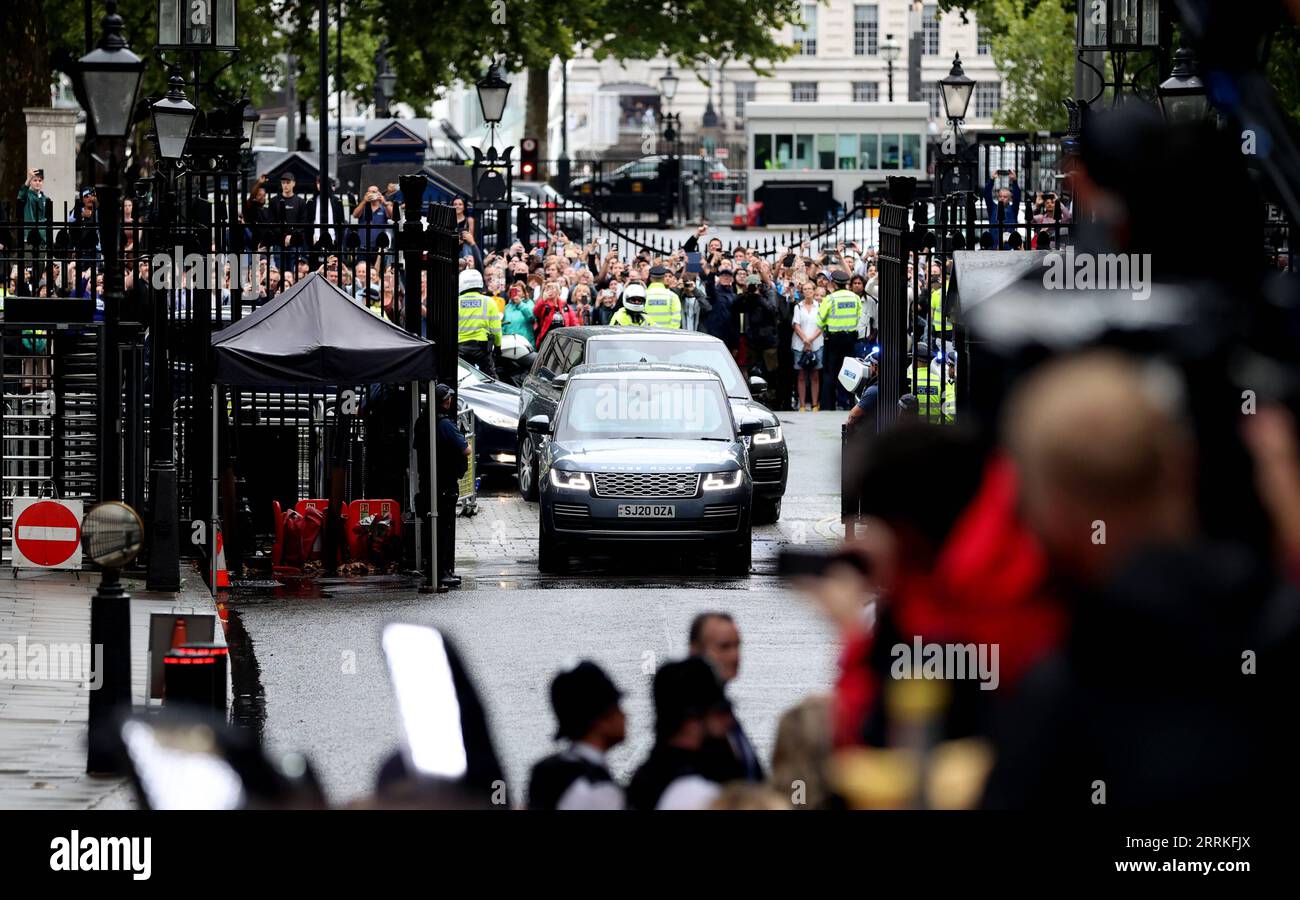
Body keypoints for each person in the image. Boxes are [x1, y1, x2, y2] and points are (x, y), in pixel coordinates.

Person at [627, 657, 736, 810]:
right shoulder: (697, 794)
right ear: (692, 721)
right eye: (718, 713)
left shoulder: (644, 780)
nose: (728, 721)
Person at [527, 661, 627, 810]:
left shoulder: (545, 771)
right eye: (617, 707)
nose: (624, 715)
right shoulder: (600, 791)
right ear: (600, 720)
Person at [689, 613, 763, 782]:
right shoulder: (693, 717)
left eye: (737, 646)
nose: (735, 656)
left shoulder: (721, 709)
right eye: (724, 647)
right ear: (695, 650)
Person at [419, 383, 470, 590]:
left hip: (430, 480)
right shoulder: (445, 424)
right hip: (445, 482)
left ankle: (441, 571)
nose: (450, 402)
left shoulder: (423, 421)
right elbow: (465, 449)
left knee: (435, 527)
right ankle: (442, 572)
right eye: (447, 399)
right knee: (444, 527)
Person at [817, 270, 862, 410]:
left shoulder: (830, 299)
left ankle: (828, 405)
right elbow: (858, 316)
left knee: (830, 373)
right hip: (850, 339)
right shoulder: (855, 298)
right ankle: (851, 403)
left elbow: (820, 320)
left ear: (834, 283)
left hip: (833, 339)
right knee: (850, 372)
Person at [456, 268, 501, 378]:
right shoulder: (489, 301)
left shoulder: (456, 301)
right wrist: (498, 347)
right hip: (481, 348)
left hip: (460, 347)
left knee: (463, 379)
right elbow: (496, 329)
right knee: (490, 378)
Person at [791, 284, 823, 411]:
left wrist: (810, 340)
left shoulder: (820, 306)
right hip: (800, 345)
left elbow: (821, 325)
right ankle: (803, 405)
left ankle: (815, 404)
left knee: (815, 374)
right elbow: (795, 324)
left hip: (816, 344)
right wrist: (805, 339)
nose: (808, 291)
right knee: (801, 375)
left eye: (810, 289)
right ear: (802, 291)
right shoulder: (798, 307)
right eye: (805, 289)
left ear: (814, 291)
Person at [269, 173, 305, 272]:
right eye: (283, 182)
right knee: (280, 271)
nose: (285, 185)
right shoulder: (274, 201)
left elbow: (303, 223)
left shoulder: (300, 202)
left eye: (288, 182)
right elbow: (271, 223)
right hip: (278, 242)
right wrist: (284, 236)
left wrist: (291, 236)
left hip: (295, 242)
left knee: (295, 272)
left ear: (294, 183)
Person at [983, 169, 1021, 250]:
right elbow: (986, 194)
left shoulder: (1013, 209)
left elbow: (1017, 196)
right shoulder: (993, 208)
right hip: (994, 246)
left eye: (1005, 197)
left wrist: (1014, 181)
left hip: (1008, 246)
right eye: (1000, 196)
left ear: (1010, 198)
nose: (1002, 198)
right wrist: (992, 180)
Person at [644, 264, 682, 328]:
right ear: (663, 278)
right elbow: (676, 319)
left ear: (650, 278)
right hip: (667, 335)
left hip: (646, 334)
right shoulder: (673, 296)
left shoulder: (643, 295)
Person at [501, 283, 536, 349]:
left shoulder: (529, 303)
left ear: (524, 293)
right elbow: (503, 325)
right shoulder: (507, 307)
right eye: (514, 291)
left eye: (519, 291)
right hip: (509, 344)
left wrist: (520, 304)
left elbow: (532, 318)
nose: (516, 293)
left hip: (525, 343)